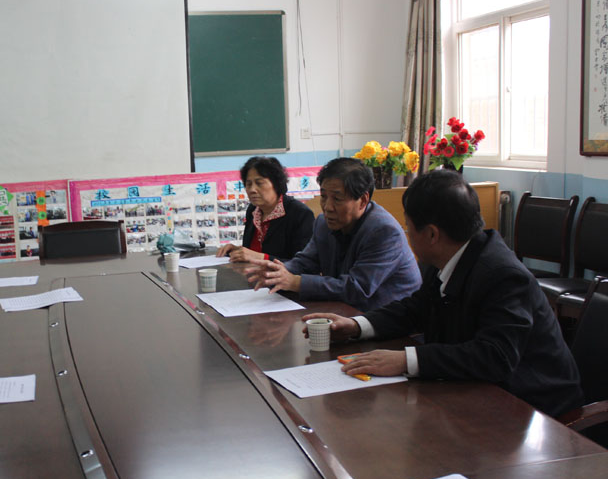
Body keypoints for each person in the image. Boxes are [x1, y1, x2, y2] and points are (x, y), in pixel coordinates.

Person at [304, 170, 583, 417]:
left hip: (532, 407)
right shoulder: (447, 257)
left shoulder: (503, 276)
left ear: (432, 235)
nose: (407, 234)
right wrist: (356, 326)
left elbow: (495, 356)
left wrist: (405, 360)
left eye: (408, 227)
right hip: (474, 392)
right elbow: (415, 309)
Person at [245, 157, 421, 311]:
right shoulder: (323, 223)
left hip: (388, 320)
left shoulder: (384, 231)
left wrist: (295, 282)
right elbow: (306, 262)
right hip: (345, 312)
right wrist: (278, 272)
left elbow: (357, 288)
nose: (327, 207)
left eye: (337, 198)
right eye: (323, 196)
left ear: (363, 200)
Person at [216, 156, 314, 262]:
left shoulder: (300, 214)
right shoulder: (253, 210)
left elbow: (303, 264)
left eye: (259, 183)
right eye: (248, 184)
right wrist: (237, 250)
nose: (252, 190)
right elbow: (256, 251)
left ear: (276, 184)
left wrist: (261, 257)